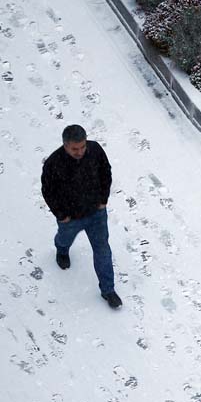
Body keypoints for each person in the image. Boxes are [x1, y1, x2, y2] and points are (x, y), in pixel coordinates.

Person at [41, 124, 122, 309]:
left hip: (96, 214)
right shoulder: (53, 164)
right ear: (65, 146)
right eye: (75, 149)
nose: (80, 151)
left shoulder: (95, 150)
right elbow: (48, 191)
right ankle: (61, 250)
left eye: (83, 147)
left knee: (102, 250)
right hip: (71, 218)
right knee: (64, 238)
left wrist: (103, 199)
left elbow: (105, 172)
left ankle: (108, 290)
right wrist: (61, 215)